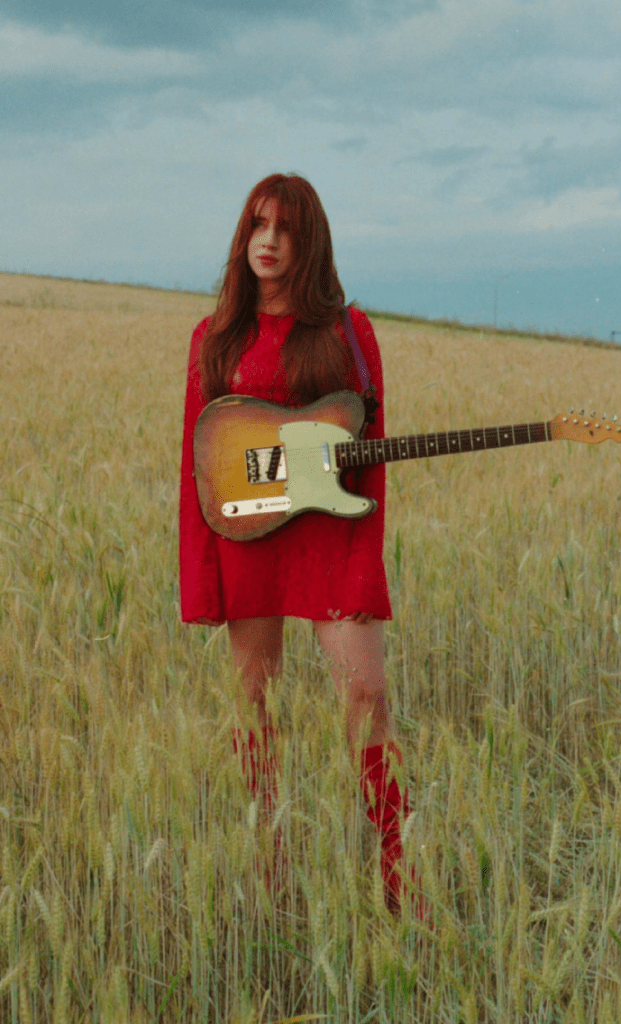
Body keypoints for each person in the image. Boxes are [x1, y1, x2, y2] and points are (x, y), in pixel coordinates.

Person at [179, 172, 429, 922]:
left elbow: (373, 466)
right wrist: (202, 580)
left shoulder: (349, 333)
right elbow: (196, 468)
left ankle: (400, 880)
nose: (268, 242)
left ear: (308, 240)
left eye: (285, 229)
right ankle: (272, 874)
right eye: (257, 226)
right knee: (252, 705)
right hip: (246, 538)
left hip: (331, 536)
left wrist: (365, 568)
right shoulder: (214, 338)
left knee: (366, 696)